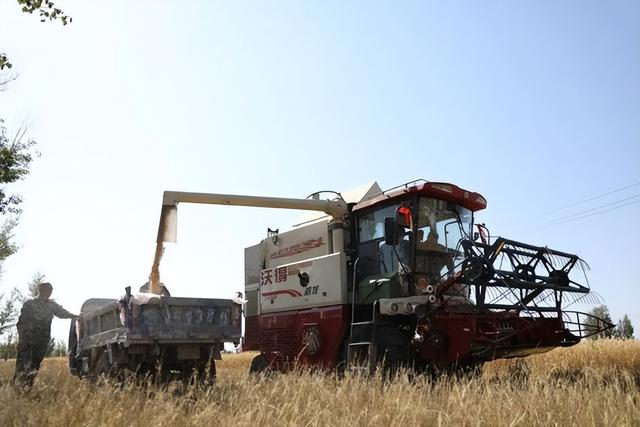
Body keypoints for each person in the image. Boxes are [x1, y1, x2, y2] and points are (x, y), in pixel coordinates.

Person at [13, 282, 78, 390]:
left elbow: (62, 313)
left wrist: (75, 316)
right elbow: (21, 323)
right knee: (22, 367)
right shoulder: (30, 304)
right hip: (28, 342)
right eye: (47, 290)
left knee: (34, 367)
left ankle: (26, 389)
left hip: (41, 343)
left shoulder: (51, 305)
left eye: (50, 291)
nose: (49, 293)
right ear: (41, 290)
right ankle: (16, 390)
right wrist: (23, 339)